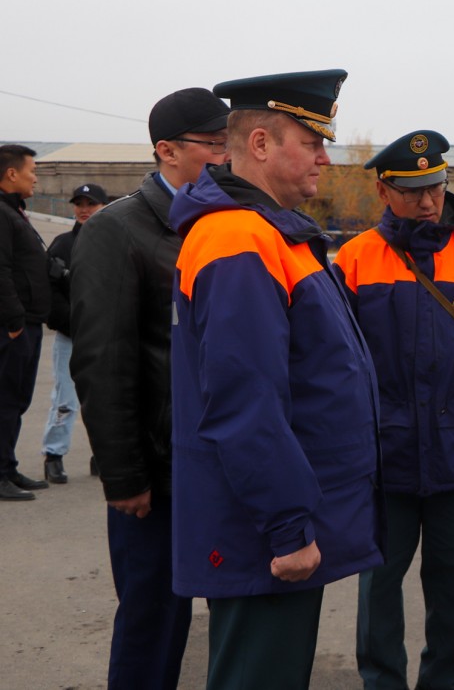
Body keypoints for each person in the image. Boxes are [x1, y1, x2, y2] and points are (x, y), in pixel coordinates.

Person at [168, 70, 383, 689]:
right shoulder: (238, 238)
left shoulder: (268, 232)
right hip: (262, 532)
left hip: (269, 521)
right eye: (312, 142)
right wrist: (288, 528)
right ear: (259, 144)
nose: (325, 157)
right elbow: (245, 404)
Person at [333, 129, 454, 690]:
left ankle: (447, 682)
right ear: (383, 190)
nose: (427, 202)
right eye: (413, 190)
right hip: (382, 455)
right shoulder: (353, 259)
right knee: (378, 586)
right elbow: (337, 365)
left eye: (436, 188)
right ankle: (382, 682)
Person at [71, 87, 229, 688]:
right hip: (156, 473)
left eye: (228, 144)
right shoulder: (119, 230)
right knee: (152, 619)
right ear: (166, 150)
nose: (226, 158)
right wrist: (125, 475)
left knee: (223, 610)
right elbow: (102, 361)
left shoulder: (216, 222)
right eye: (214, 146)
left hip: (214, 460)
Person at [40, 183, 106, 484]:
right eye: (79, 203)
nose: (84, 209)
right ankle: (54, 455)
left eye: (91, 203)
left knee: (107, 401)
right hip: (71, 336)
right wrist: (70, 322)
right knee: (65, 399)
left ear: (104, 206)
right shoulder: (62, 245)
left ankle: (103, 455)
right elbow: (50, 292)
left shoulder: (115, 242)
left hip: (108, 337)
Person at [0, 145, 50, 502]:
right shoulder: (2, 214)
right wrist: (14, 319)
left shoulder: (14, 211)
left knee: (16, 400)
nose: (35, 176)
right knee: (5, 400)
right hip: (14, 326)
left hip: (28, 323)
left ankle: (8, 466)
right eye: (32, 170)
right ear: (12, 174)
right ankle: (0, 475)